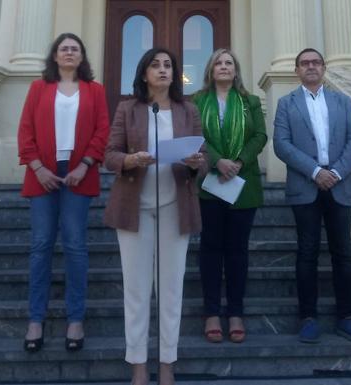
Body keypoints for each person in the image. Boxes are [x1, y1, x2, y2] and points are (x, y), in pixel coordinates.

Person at [103, 48, 206, 385]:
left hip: (176, 207)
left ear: (174, 74)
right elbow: (110, 155)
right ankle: (137, 364)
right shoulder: (127, 109)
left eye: (168, 66)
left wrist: (195, 163)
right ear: (144, 72)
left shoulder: (187, 109)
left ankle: (166, 364)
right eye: (155, 65)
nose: (162, 70)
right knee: (135, 290)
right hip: (135, 209)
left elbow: (200, 157)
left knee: (171, 290)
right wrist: (131, 161)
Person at [17, 33, 110, 352]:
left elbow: (102, 131)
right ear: (55, 56)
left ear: (82, 57)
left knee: (75, 245)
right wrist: (38, 168)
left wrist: (85, 165)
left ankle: (75, 319)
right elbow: (25, 131)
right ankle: (35, 319)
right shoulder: (37, 89)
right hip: (41, 173)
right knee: (41, 245)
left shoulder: (95, 91)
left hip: (77, 174)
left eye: (75, 49)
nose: (69, 53)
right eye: (64, 49)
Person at [273, 48, 351, 344]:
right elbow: (281, 144)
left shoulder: (343, 101)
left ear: (324, 68)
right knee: (307, 253)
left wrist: (336, 173)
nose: (311, 67)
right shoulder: (286, 104)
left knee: (342, 254)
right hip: (306, 186)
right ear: (297, 70)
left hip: (339, 185)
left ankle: (347, 317)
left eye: (315, 62)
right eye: (305, 63)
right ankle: (308, 318)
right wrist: (315, 172)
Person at [192, 48, 267, 343]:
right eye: (218, 63)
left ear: (236, 71)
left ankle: (235, 311)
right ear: (210, 71)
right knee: (210, 249)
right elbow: (195, 134)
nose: (224, 67)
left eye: (229, 63)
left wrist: (239, 162)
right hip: (209, 184)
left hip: (243, 183)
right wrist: (217, 160)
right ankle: (211, 312)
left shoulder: (251, 101)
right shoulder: (197, 101)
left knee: (237, 251)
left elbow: (260, 136)